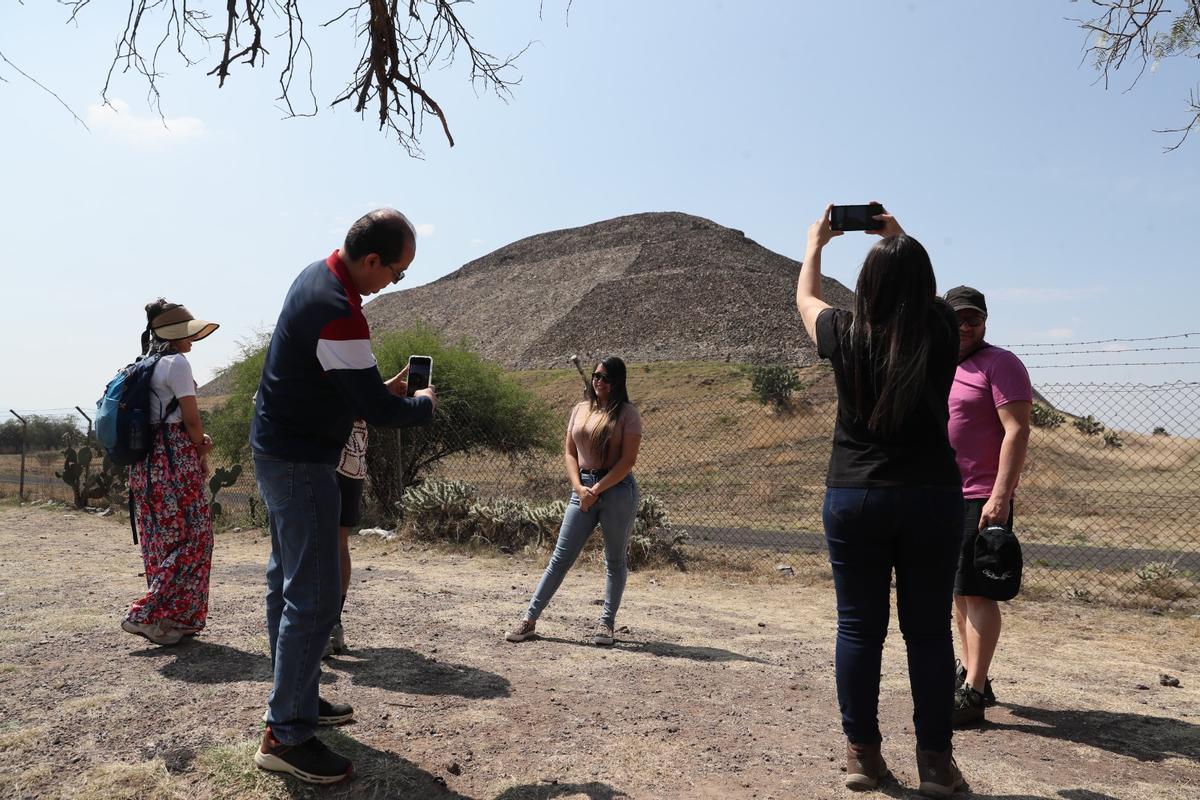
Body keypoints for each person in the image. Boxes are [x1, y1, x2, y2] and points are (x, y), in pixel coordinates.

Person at [251, 208, 436, 785]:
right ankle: (286, 734)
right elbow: (381, 414)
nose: (393, 283)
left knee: (291, 583)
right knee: (316, 595)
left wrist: (374, 387)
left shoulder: (317, 276)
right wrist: (421, 404)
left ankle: (298, 701)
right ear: (373, 260)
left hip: (278, 450)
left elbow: (334, 383)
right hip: (302, 462)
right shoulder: (339, 312)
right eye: (397, 272)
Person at [795, 204, 965, 797]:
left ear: (864, 286)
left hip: (855, 496)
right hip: (931, 498)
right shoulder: (942, 331)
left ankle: (862, 757)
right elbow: (930, 294)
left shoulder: (844, 332)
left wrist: (816, 244)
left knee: (860, 630)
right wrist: (899, 237)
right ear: (924, 286)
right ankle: (937, 765)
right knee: (929, 633)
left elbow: (806, 301)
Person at [506, 356, 643, 647]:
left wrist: (598, 489)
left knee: (615, 559)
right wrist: (580, 488)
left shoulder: (628, 414)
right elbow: (569, 452)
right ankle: (529, 619)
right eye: (596, 375)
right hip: (582, 489)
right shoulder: (579, 409)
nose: (598, 381)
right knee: (560, 558)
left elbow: (628, 461)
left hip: (617, 491)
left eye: (605, 377)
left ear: (617, 382)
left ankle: (606, 624)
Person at [944, 285, 1032, 726]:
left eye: (972, 318)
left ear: (984, 321)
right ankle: (972, 674)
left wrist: (1000, 495)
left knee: (978, 592)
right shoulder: (939, 362)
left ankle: (974, 694)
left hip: (980, 495)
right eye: (956, 317)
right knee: (958, 590)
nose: (964, 325)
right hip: (942, 493)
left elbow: (1016, 430)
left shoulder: (1001, 364)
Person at [122, 300, 219, 647]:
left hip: (146, 464)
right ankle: (145, 612)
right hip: (175, 456)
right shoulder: (177, 363)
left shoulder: (143, 365)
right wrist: (201, 447)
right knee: (196, 538)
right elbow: (191, 420)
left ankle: (171, 621)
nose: (191, 339)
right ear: (175, 335)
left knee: (162, 543)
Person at [325, 419, 368, 657]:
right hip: (352, 457)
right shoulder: (360, 379)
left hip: (320, 456)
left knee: (315, 542)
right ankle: (333, 624)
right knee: (339, 542)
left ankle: (320, 628)